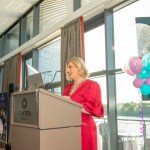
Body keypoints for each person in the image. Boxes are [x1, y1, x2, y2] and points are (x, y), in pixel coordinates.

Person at [62, 57, 104, 150]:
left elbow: (91, 109)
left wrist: (69, 101)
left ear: (79, 67)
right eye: (67, 68)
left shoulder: (92, 85)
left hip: (84, 128)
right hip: (68, 127)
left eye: (70, 67)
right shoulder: (68, 88)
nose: (67, 70)